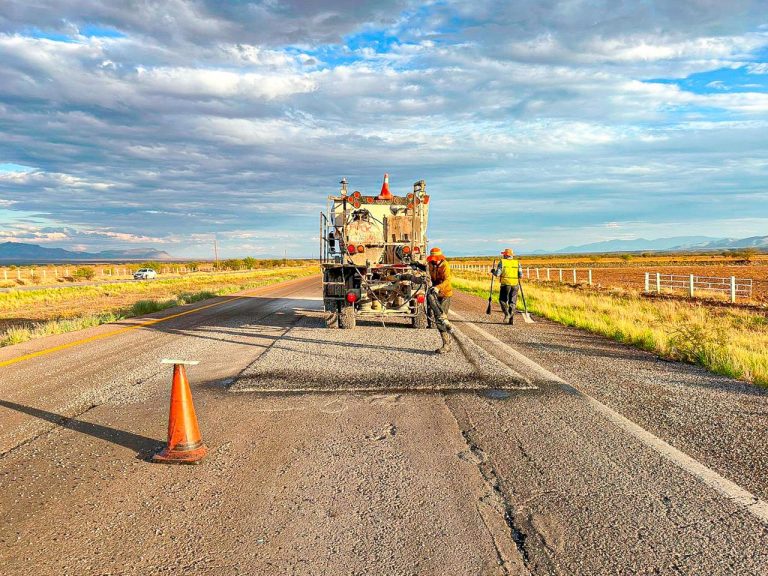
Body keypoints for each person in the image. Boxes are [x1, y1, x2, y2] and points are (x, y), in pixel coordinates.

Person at [427, 247, 453, 353]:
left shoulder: (445, 265)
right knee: (438, 318)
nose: (434, 260)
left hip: (445, 294)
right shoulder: (431, 264)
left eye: (436, 258)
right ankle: (447, 342)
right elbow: (426, 270)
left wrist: (438, 287)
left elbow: (448, 280)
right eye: (433, 258)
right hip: (435, 294)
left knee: (441, 318)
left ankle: (447, 345)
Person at [492, 248, 522, 324]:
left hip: (505, 284)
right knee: (512, 302)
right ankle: (511, 319)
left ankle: (507, 314)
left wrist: (493, 272)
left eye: (503, 254)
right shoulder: (517, 262)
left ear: (505, 255)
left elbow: (498, 274)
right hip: (515, 284)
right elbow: (520, 275)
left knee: (502, 300)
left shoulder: (502, 262)